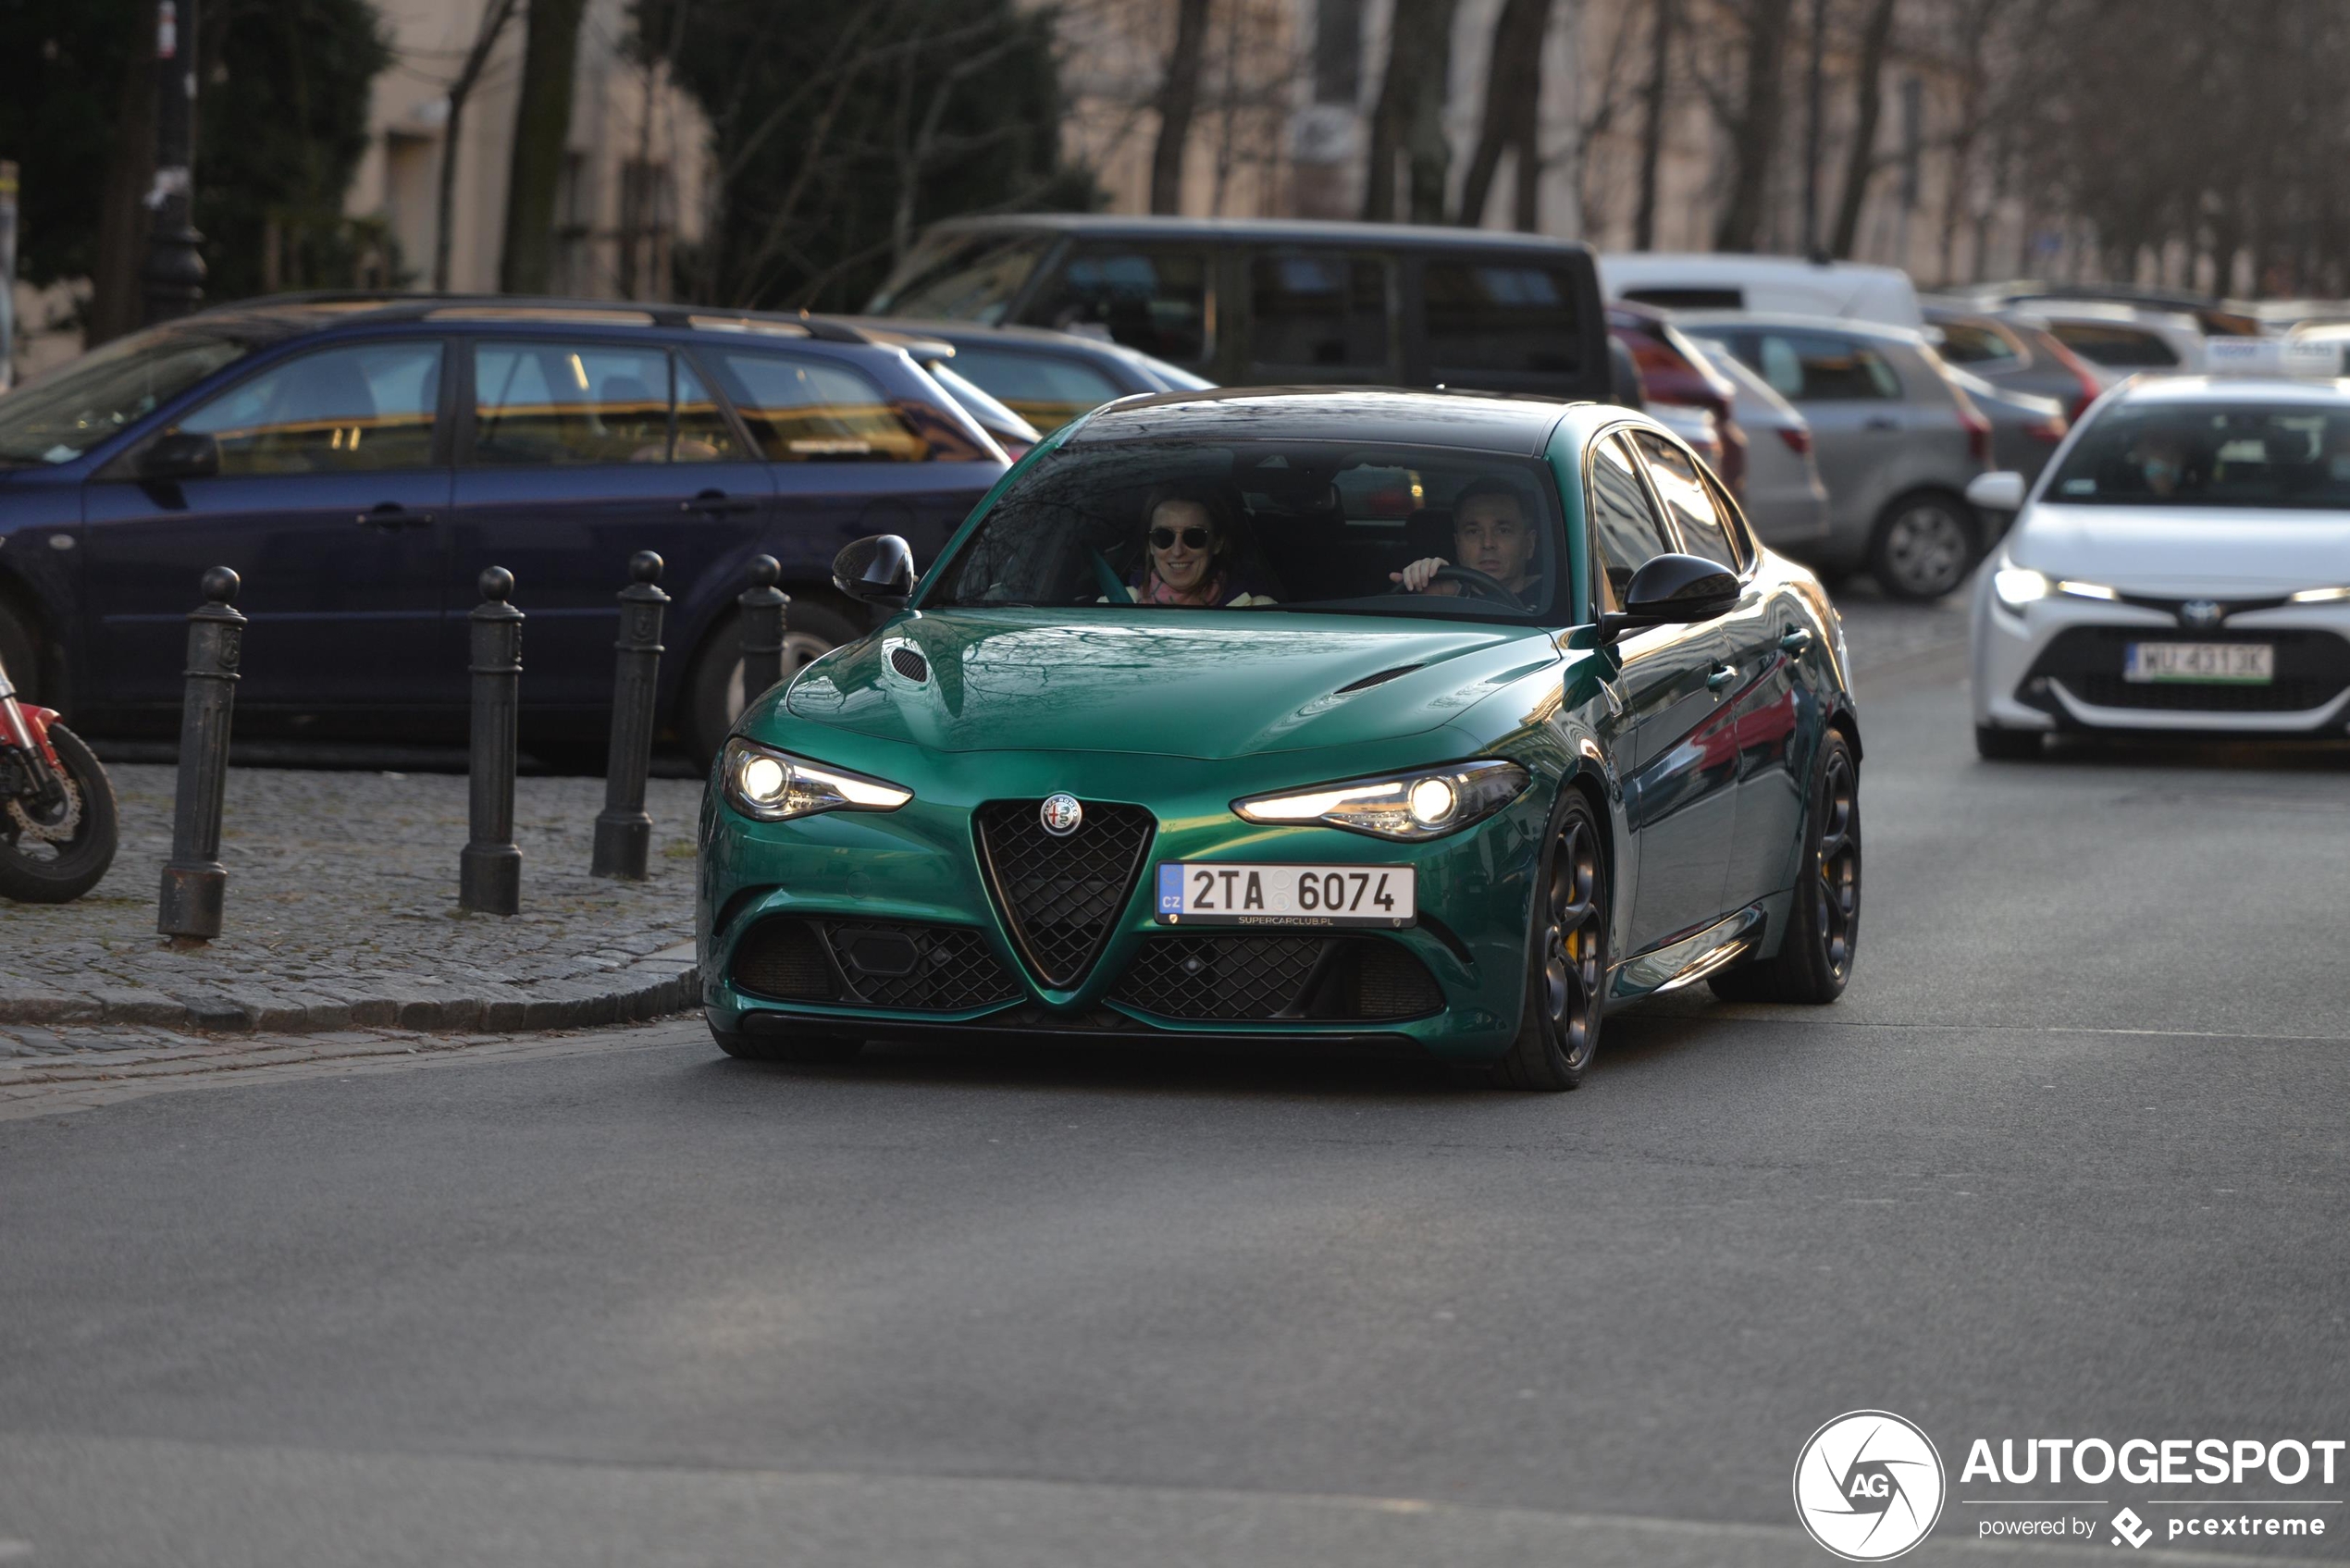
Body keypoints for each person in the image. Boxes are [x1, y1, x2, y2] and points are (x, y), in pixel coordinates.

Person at [1390, 479, 1544, 600]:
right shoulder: (1444, 593)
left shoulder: (1559, 601)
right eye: (1473, 532)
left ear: (1529, 544)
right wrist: (1431, 595)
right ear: (1457, 543)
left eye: (1503, 531)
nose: (1488, 543)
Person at [1126, 485, 1277, 607]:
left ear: (1217, 543)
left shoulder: (1258, 611)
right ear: (1150, 545)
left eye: (1194, 536)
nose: (1178, 551)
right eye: (1163, 536)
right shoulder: (1114, 605)